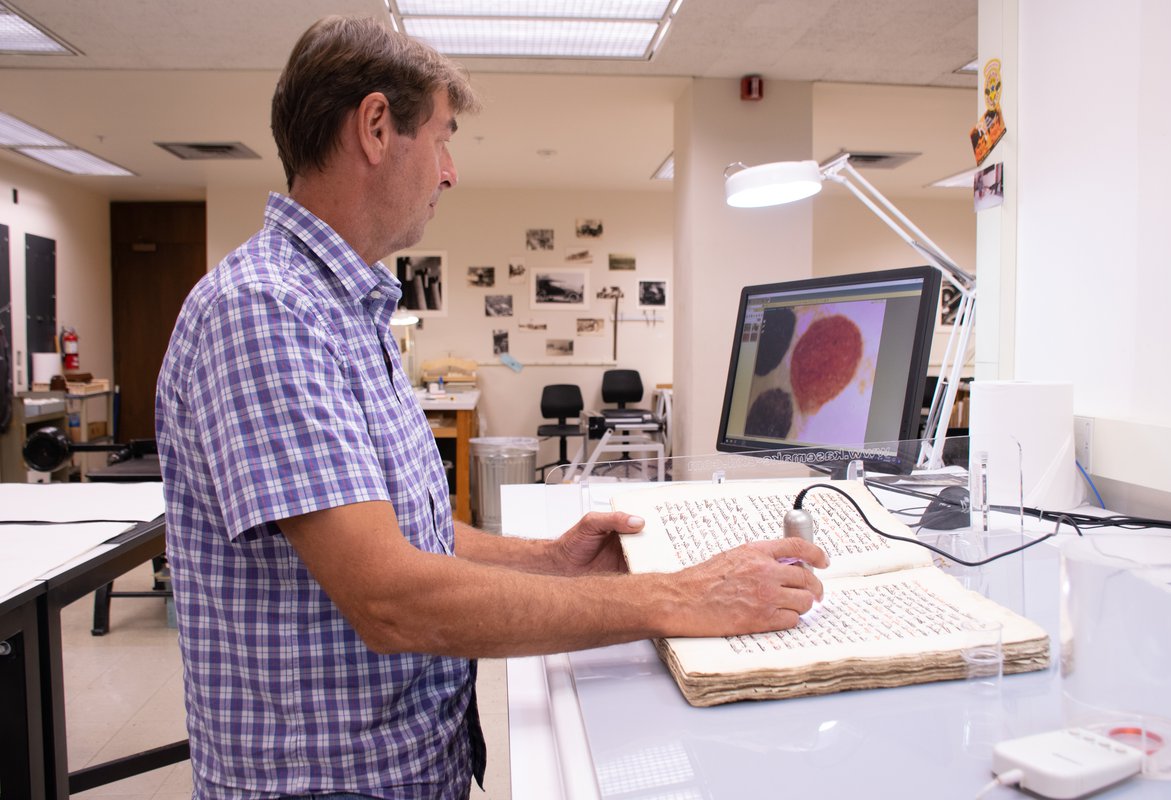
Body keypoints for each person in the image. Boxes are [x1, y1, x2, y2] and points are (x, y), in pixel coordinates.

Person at [155, 15, 828, 800]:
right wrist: (679, 599)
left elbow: (405, 532)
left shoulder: (346, 308)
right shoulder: (267, 311)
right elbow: (389, 598)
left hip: (405, 765)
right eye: (442, 138)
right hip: (333, 783)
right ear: (376, 127)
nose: (450, 171)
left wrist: (548, 562)